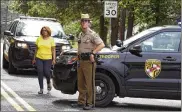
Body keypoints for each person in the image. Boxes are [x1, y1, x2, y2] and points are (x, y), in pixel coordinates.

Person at [71, 14, 105, 110]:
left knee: (89, 83)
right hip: (81, 61)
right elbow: (80, 48)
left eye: (86, 21)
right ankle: (81, 102)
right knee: (81, 83)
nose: (84, 22)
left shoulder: (92, 34)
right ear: (80, 23)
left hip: (89, 62)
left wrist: (93, 53)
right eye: (82, 21)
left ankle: (90, 103)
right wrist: (77, 58)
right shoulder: (80, 34)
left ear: (89, 23)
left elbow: (102, 45)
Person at [32, 26, 56, 94]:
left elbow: (53, 50)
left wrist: (54, 59)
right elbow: (36, 49)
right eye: (43, 30)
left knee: (46, 72)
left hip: (48, 58)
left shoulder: (51, 39)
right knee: (40, 72)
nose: (44, 31)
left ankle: (48, 82)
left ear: (48, 31)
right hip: (39, 57)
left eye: (45, 30)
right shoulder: (39, 39)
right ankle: (41, 89)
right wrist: (34, 58)